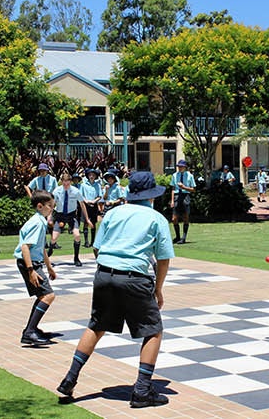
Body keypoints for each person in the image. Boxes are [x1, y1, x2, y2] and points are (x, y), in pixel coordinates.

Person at [56, 171, 175, 408]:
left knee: (96, 325)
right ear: (151, 196)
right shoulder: (156, 218)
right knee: (153, 330)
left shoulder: (112, 213)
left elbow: (97, 248)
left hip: (104, 274)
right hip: (134, 278)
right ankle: (142, 390)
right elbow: (163, 259)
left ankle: (70, 378)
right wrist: (158, 289)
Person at [16, 190, 60, 346]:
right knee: (48, 296)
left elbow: (40, 248)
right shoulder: (37, 223)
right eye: (50, 206)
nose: (52, 209)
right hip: (29, 264)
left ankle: (31, 329)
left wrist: (49, 267)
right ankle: (30, 332)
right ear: (40, 206)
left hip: (33, 263)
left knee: (43, 296)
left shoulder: (39, 220)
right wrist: (31, 270)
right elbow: (25, 247)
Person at [52, 173, 90, 266]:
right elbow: (52, 204)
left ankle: (76, 258)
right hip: (60, 215)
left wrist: (87, 219)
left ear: (70, 182)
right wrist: (49, 217)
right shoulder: (56, 191)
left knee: (77, 236)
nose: (66, 185)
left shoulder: (75, 191)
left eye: (68, 183)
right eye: (64, 183)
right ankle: (49, 251)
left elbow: (82, 204)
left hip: (71, 215)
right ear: (61, 182)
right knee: (53, 238)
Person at [170, 160, 196, 244]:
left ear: (185, 167)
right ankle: (177, 236)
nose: (179, 168)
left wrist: (184, 187)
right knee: (174, 218)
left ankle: (183, 238)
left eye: (181, 166)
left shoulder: (190, 176)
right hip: (177, 196)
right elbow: (173, 189)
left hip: (185, 196)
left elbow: (193, 189)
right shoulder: (174, 175)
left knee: (185, 217)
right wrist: (172, 200)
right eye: (178, 166)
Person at [79, 168, 103, 247]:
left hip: (94, 205)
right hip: (86, 205)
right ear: (88, 176)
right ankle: (86, 241)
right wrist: (86, 201)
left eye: (93, 175)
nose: (91, 176)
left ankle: (93, 241)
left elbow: (100, 196)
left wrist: (94, 201)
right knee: (86, 223)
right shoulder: (83, 185)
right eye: (90, 175)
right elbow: (80, 195)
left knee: (93, 223)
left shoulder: (98, 185)